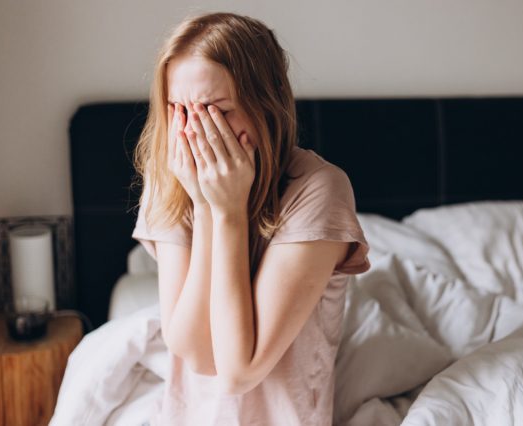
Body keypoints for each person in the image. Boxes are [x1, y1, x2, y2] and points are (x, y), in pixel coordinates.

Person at [130, 11, 371, 426]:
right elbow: (194, 352)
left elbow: (236, 372)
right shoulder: (169, 175)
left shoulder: (320, 189)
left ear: (265, 106)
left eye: (213, 110)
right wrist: (205, 206)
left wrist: (228, 213)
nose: (193, 132)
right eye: (179, 109)